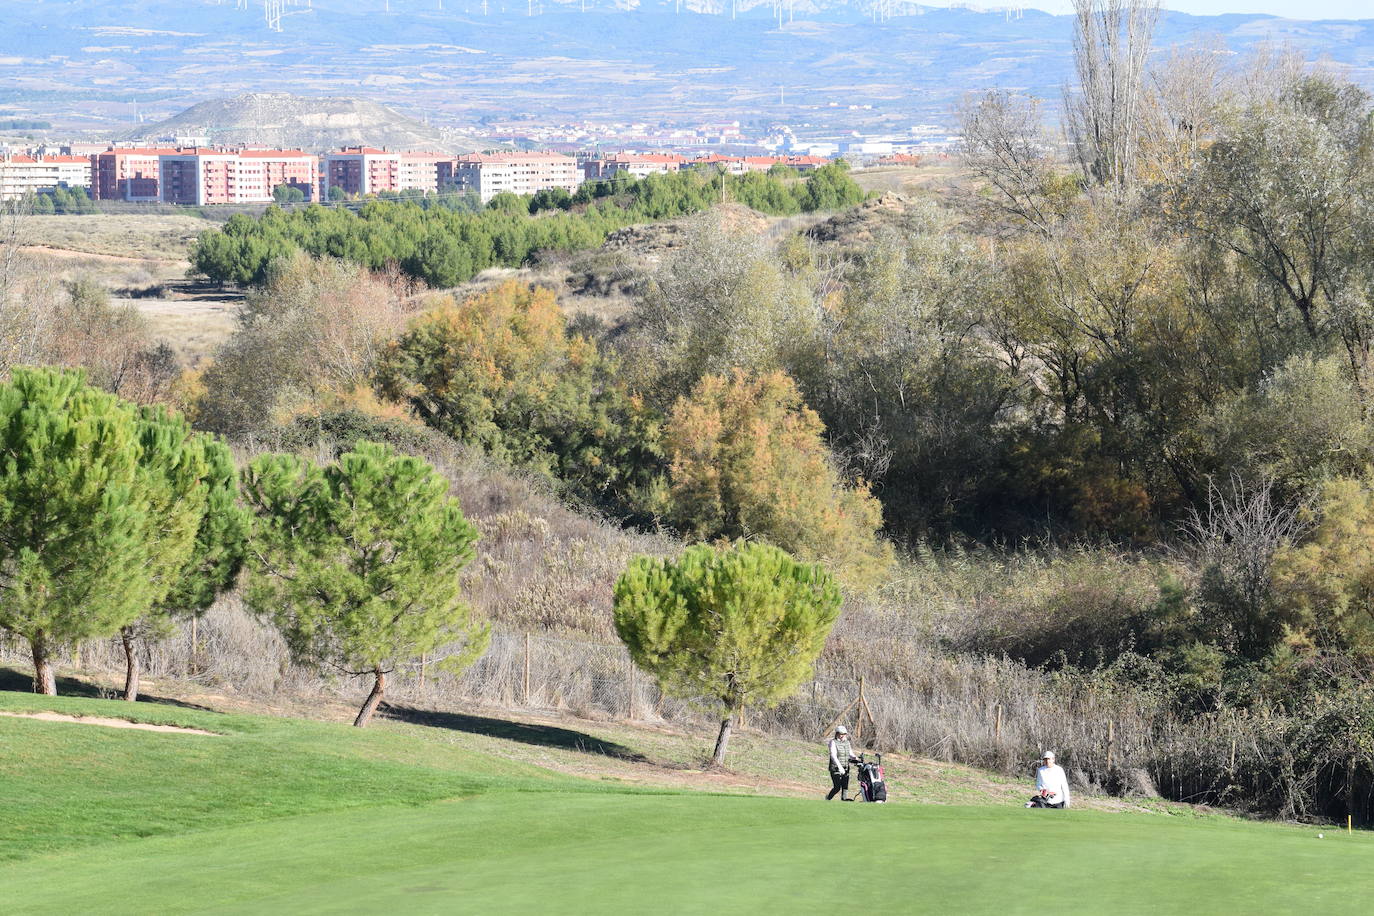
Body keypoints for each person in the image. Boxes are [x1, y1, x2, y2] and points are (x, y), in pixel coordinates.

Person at [826, 725, 859, 800]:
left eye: (843, 734)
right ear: (837, 733)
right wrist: (840, 767)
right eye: (840, 734)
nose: (841, 736)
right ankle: (828, 799)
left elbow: (850, 753)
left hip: (845, 767)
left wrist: (855, 758)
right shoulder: (833, 742)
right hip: (835, 768)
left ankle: (844, 801)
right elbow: (833, 756)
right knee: (837, 787)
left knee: (845, 787)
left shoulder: (847, 742)